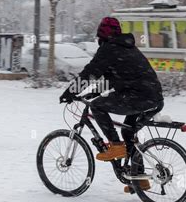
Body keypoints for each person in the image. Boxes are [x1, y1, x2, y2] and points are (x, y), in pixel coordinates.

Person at [60, 17, 164, 192]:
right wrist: (94, 91)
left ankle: (115, 147)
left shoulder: (109, 49)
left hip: (137, 96)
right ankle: (139, 179)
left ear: (102, 35)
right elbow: (114, 77)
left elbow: (90, 73)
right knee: (128, 130)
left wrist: (69, 93)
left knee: (97, 106)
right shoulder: (127, 47)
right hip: (154, 98)